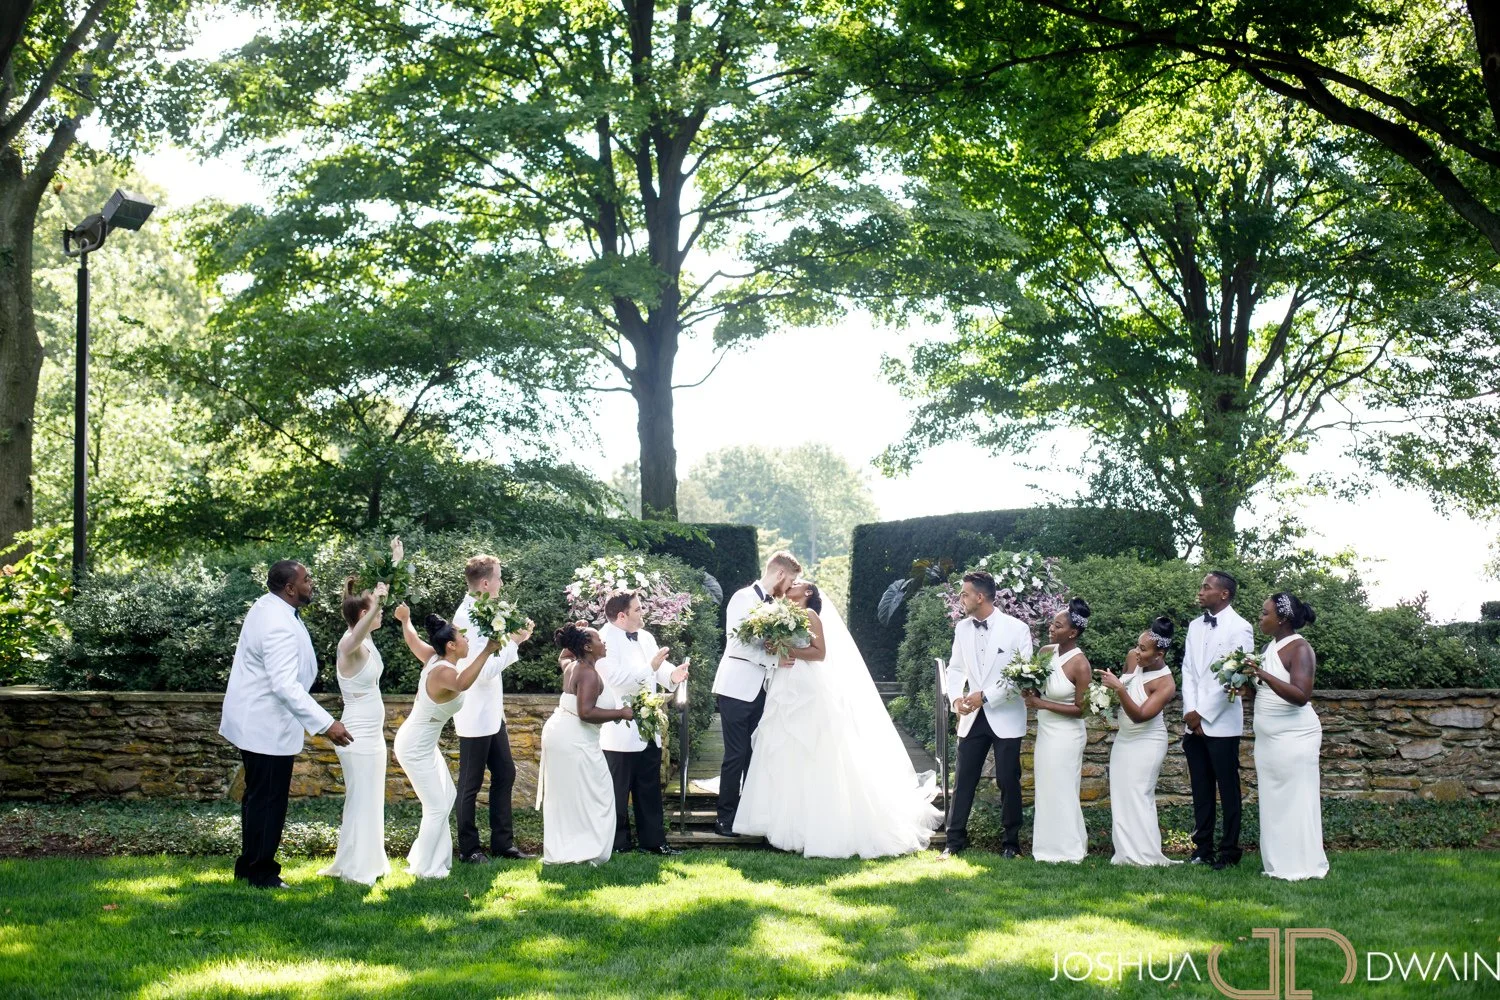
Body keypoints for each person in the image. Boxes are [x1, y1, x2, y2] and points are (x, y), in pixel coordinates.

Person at [734, 581, 942, 856]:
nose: (792, 585)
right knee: (785, 747)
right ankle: (782, 823)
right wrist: (774, 646)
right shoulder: (783, 613)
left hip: (806, 686)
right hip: (784, 682)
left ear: (808, 593)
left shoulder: (811, 615)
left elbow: (820, 653)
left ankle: (811, 825)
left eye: (798, 584)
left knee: (811, 747)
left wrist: (787, 649)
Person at [220, 560, 353, 889]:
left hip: (260, 721)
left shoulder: (271, 607)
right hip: (265, 725)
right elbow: (284, 685)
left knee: (258, 798)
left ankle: (249, 868)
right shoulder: (276, 621)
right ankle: (261, 874)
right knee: (268, 802)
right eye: (306, 579)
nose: (311, 583)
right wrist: (327, 724)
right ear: (290, 588)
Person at [391, 605, 505, 879]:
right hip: (415, 746)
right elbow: (463, 683)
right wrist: (487, 651)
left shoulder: (434, 658)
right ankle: (425, 869)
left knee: (448, 797)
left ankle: (434, 858)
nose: (467, 639)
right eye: (463, 636)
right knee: (437, 806)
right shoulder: (444, 671)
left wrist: (406, 620)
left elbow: (412, 640)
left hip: (423, 744)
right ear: (451, 645)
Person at [940, 570, 1034, 859]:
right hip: (972, 716)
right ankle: (953, 842)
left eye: (964, 594)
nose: (961, 599)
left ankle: (1011, 844)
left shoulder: (1017, 629)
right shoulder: (962, 629)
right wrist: (956, 699)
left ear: (980, 597)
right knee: (963, 780)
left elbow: (1020, 675)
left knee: (1008, 779)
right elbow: (956, 669)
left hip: (1005, 714)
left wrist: (985, 696)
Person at [711, 550, 801, 836]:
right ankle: (725, 818)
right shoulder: (742, 598)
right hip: (736, 689)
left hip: (763, 690)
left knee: (755, 756)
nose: (790, 587)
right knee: (736, 755)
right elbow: (736, 645)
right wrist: (775, 659)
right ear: (780, 574)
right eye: (790, 581)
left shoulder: (776, 605)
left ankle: (748, 817)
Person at [451, 554, 535, 864]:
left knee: (505, 772)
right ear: (485, 583)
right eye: (498, 577)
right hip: (474, 712)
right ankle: (469, 848)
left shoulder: (484, 609)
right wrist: (514, 642)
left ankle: (502, 843)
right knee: (470, 783)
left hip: (491, 711)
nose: (501, 583)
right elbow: (482, 670)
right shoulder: (466, 617)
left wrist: (514, 639)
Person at [318, 563, 394, 885]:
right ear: (364, 613)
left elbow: (379, 598)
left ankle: (366, 860)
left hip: (372, 736)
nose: (381, 614)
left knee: (370, 798)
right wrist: (375, 604)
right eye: (376, 610)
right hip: (356, 736)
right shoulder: (347, 645)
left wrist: (393, 566)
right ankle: (357, 869)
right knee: (361, 798)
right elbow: (358, 632)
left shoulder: (367, 641)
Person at [597, 590, 689, 855]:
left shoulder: (646, 636)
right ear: (622, 615)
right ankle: (617, 843)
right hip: (618, 728)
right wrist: (651, 667)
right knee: (617, 790)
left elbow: (658, 669)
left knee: (649, 787)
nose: (642, 612)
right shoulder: (603, 640)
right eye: (638, 609)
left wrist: (673, 674)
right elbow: (616, 680)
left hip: (648, 726)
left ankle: (654, 841)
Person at [1247, 592, 1328, 881]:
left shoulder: (1300, 649)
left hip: (1295, 737)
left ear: (1282, 619)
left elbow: (1301, 695)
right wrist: (1246, 685)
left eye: (1264, 613)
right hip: (1269, 740)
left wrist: (1263, 675)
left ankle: (1302, 864)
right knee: (1274, 801)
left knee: (1296, 800)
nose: (1260, 617)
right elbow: (1266, 692)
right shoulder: (1268, 647)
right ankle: (1278, 862)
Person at [539, 622, 634, 864]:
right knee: (598, 793)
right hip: (574, 739)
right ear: (588, 647)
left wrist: (576, 633)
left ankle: (569, 847)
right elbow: (586, 712)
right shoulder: (588, 673)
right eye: (599, 639)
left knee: (569, 796)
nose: (604, 642)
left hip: (560, 733)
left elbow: (563, 656)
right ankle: (585, 849)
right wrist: (621, 713)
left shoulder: (572, 665)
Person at [1180, 571, 1256, 869]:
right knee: (1201, 789)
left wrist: (1203, 713)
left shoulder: (1241, 627)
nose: (1200, 591)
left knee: (1228, 789)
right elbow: (1188, 670)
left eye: (1206, 587)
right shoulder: (1194, 626)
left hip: (1221, 723)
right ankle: (1202, 849)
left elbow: (1235, 677)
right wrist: (1190, 712)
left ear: (1223, 594)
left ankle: (1229, 851)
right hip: (1193, 722)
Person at [1097, 617, 1179, 867]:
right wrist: (1104, 697)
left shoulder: (1166, 684)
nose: (1137, 652)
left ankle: (1146, 855)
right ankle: (1125, 854)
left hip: (1148, 742)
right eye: (1137, 646)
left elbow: (1141, 715)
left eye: (1143, 649)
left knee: (1139, 795)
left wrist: (1119, 689)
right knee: (1121, 794)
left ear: (1159, 654)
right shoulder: (1133, 659)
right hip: (1125, 739)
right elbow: (1122, 692)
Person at [1024, 599, 1093, 863]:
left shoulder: (1080, 665)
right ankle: (1047, 847)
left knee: (1063, 789)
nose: (1051, 628)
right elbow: (1035, 686)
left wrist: (1041, 704)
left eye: (1058, 625)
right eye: (1053, 623)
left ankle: (1068, 848)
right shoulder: (1045, 652)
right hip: (1046, 732)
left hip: (1067, 736)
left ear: (1073, 632)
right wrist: (1027, 687)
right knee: (1046, 788)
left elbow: (1081, 710)